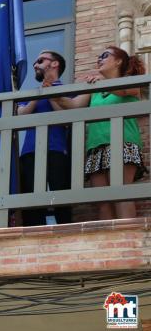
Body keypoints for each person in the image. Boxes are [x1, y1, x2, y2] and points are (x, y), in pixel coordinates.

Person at [48, 46, 146, 220]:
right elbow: (73, 106)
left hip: (122, 143)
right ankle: (110, 242)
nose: (99, 59)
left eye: (105, 55)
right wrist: (53, 94)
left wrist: (102, 80)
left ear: (119, 61)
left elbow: (123, 90)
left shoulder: (132, 82)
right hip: (95, 148)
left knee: (121, 194)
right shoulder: (94, 89)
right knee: (102, 202)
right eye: (98, 56)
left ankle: (126, 239)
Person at [17, 50, 72, 226]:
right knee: (31, 201)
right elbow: (20, 116)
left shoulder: (67, 89)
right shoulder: (31, 93)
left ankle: (64, 237)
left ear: (54, 64)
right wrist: (39, 94)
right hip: (30, 151)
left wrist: (51, 93)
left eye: (40, 60)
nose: (35, 65)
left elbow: (65, 118)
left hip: (57, 149)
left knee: (61, 197)